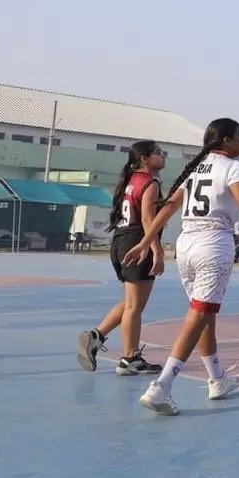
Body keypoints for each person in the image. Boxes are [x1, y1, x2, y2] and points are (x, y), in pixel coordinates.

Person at [121, 118, 239, 416]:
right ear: (226, 141)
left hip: (186, 244)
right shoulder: (232, 166)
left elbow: (169, 206)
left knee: (204, 314)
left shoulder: (196, 166)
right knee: (198, 315)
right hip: (213, 243)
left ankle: (217, 379)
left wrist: (146, 241)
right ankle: (162, 386)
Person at [77, 140, 168, 375]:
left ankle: (95, 336)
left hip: (121, 240)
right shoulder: (150, 182)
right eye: (158, 153)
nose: (162, 155)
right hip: (137, 240)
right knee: (135, 306)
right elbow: (148, 220)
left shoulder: (130, 180)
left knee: (131, 304)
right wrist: (156, 250)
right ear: (145, 159)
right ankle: (130, 358)